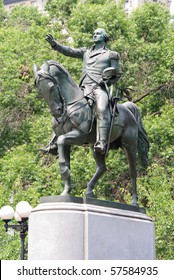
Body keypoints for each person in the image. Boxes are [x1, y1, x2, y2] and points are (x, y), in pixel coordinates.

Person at [45, 28, 121, 154]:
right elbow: (69, 51)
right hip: (83, 88)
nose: (95, 35)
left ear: (105, 37)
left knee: (101, 109)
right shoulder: (86, 51)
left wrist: (106, 82)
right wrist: (54, 44)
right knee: (64, 108)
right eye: (94, 33)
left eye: (98, 34)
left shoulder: (111, 54)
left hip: (99, 87)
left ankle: (101, 142)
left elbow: (117, 74)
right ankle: (54, 142)